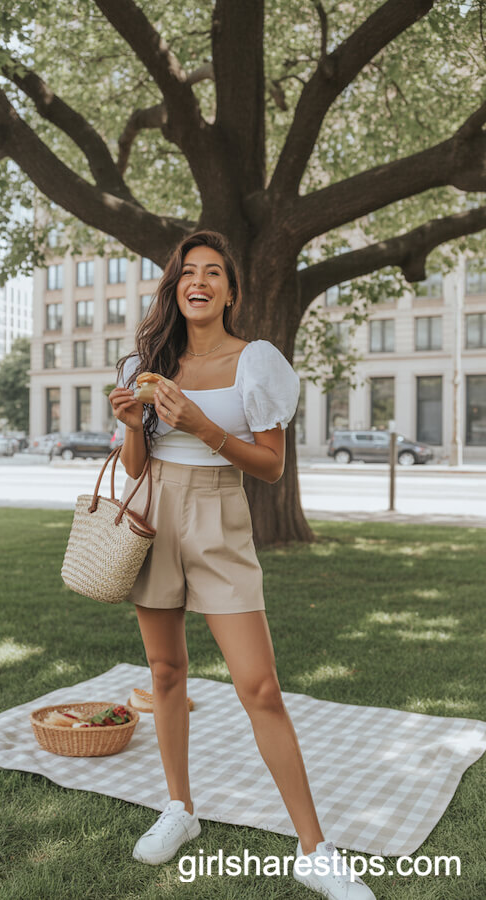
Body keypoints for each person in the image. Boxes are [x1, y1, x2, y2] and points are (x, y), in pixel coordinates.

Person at [108, 231, 376, 900]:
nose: (197, 281)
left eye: (213, 273)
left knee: (259, 687)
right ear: (175, 288)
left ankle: (314, 850)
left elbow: (271, 464)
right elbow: (134, 467)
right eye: (186, 272)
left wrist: (201, 426)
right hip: (155, 513)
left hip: (220, 518)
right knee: (166, 672)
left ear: (230, 291)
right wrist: (136, 426)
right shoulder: (146, 361)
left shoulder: (255, 360)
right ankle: (179, 808)